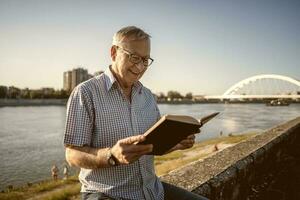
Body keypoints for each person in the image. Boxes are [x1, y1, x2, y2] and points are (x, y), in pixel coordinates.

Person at [64, 26, 209, 200]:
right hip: (106, 194)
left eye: (145, 60)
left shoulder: (147, 96)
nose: (140, 67)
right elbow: (72, 155)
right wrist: (112, 156)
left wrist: (175, 143)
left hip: (152, 190)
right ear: (113, 52)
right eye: (134, 57)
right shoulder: (86, 92)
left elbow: (154, 145)